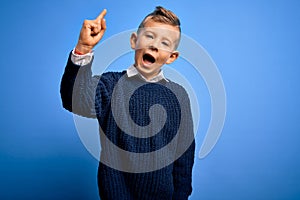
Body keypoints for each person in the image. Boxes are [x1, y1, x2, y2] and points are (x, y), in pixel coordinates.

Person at [60, 6, 195, 200]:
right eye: (149, 36)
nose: (155, 45)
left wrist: (181, 196)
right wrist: (83, 49)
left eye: (165, 42)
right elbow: (75, 101)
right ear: (134, 41)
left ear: (172, 57)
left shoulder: (178, 95)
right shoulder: (109, 85)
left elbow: (184, 154)